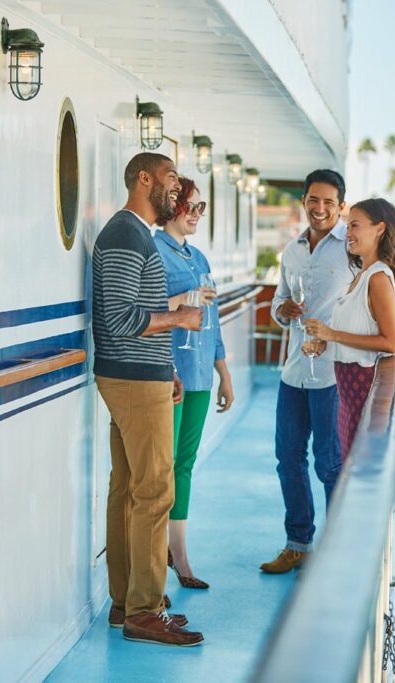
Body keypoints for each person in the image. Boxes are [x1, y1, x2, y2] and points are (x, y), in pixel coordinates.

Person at [92, 152, 205, 647]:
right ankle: (144, 610)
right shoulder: (124, 234)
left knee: (130, 490)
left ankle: (125, 604)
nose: (177, 191)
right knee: (155, 492)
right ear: (144, 179)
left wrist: (169, 368)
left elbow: (135, 311)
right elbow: (119, 318)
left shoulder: (134, 234)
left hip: (144, 375)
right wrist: (180, 318)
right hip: (133, 380)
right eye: (171, 179)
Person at [260, 169, 353, 574]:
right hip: (294, 370)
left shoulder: (354, 246)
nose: (320, 209)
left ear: (341, 207)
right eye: (314, 200)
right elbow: (279, 303)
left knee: (329, 463)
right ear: (304, 201)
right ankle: (298, 544)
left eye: (329, 203)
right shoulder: (292, 251)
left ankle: (336, 550)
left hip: (333, 373)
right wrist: (283, 311)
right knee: (288, 458)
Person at [153, 177, 234, 590]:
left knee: (184, 465)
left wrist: (225, 373)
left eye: (202, 208)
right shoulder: (154, 251)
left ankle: (179, 552)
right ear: (172, 207)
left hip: (201, 372)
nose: (196, 214)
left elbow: (214, 321)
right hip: (171, 371)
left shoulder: (199, 257)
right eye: (190, 206)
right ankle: (159, 554)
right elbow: (146, 311)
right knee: (161, 467)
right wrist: (185, 300)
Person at [304, 198, 395, 462]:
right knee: (349, 469)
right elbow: (360, 327)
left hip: (363, 391)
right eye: (347, 226)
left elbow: (390, 342)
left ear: (379, 229)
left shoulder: (377, 278)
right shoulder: (361, 276)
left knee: (358, 469)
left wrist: (332, 335)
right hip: (348, 394)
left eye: (354, 226)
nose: (348, 233)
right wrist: (325, 344)